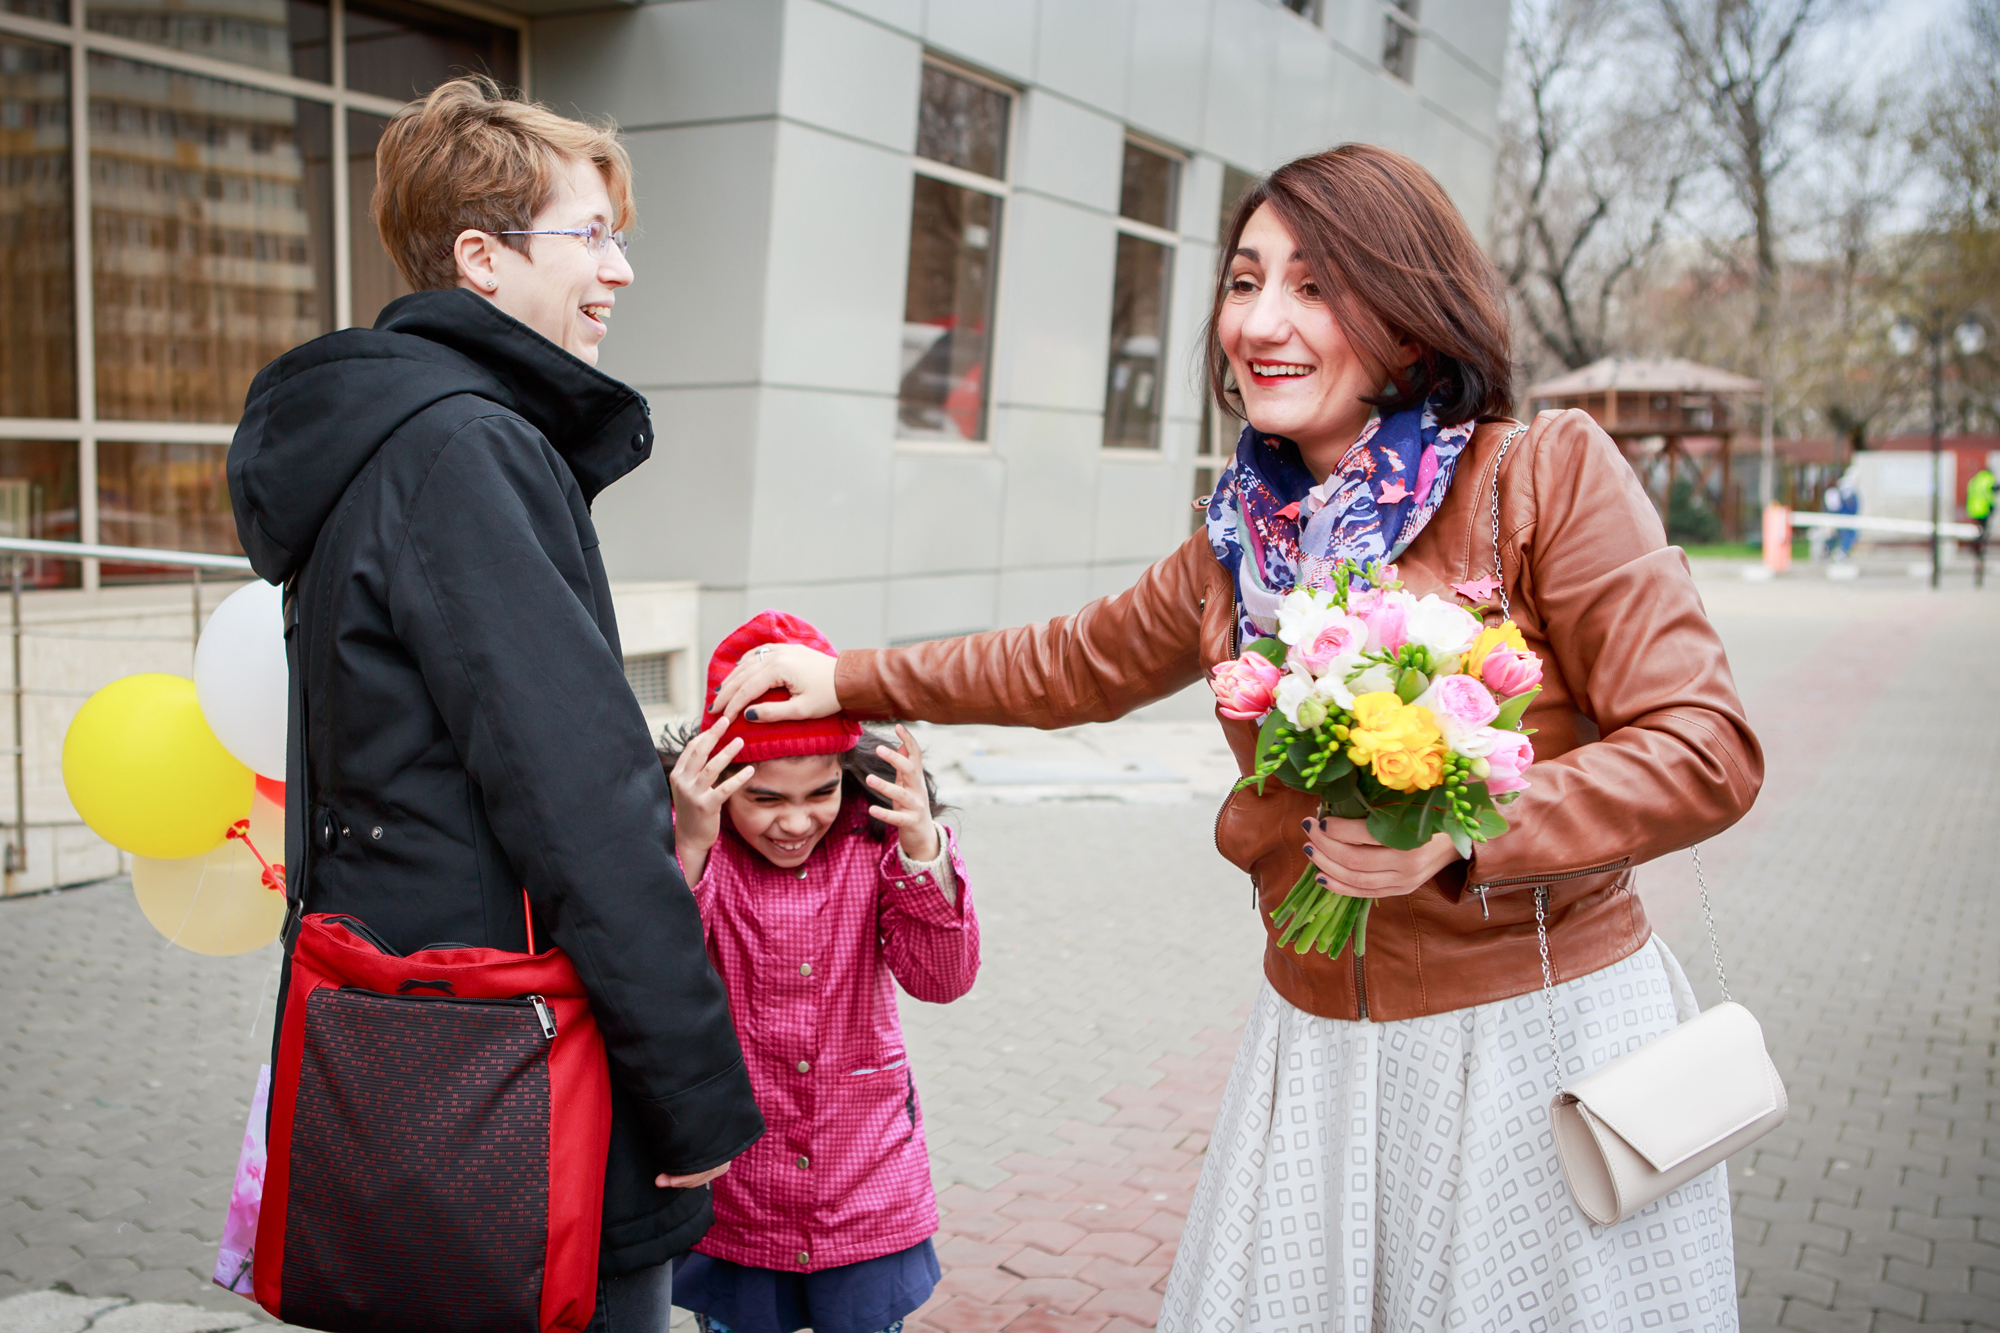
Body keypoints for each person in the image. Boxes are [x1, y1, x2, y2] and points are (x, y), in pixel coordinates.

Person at [710, 145, 1762, 1331]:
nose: (1262, 320)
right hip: (1320, 1047)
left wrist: (1456, 831)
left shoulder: (1541, 473)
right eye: (1245, 279)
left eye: (1316, 287)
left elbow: (1702, 745)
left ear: (1411, 324)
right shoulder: (1238, 542)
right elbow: (1068, 661)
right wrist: (845, 675)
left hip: (1528, 1036)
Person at [226, 77, 763, 1329]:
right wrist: (690, 1087)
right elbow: (575, 797)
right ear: (481, 256)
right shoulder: (465, 449)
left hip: (408, 1034)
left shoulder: (388, 437)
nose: (619, 270)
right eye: (592, 235)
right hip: (512, 1050)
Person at [660, 612, 978, 1333]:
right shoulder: (696, 845)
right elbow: (660, 976)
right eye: (764, 798)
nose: (796, 823)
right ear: (718, 781)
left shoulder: (875, 844)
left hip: (863, 1173)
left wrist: (923, 847)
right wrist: (690, 842)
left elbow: (943, 977)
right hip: (741, 1183)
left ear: (847, 775)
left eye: (819, 794)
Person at [1825, 467, 1861, 559]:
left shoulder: (1847, 487)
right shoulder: (1846, 487)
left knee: (1844, 534)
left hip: (1846, 516)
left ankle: (1836, 550)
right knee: (1841, 534)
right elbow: (1840, 505)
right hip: (1843, 516)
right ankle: (1837, 551)